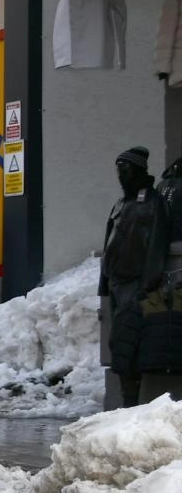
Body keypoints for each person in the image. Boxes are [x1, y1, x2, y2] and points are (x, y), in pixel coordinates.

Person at [101, 145, 173, 407]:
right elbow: (109, 241)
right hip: (117, 283)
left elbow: (156, 246)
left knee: (129, 343)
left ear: (138, 170)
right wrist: (105, 283)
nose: (121, 174)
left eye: (125, 169)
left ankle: (132, 403)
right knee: (119, 343)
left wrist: (147, 284)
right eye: (118, 169)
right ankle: (128, 402)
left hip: (136, 284)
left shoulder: (153, 203)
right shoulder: (121, 204)